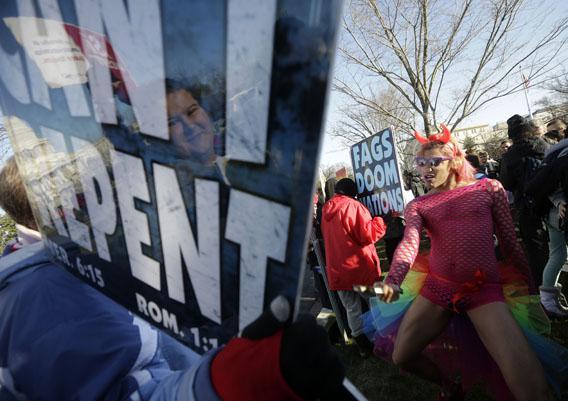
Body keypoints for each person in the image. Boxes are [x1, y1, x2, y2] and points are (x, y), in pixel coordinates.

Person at [0, 160, 352, 401]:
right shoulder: (53, 293)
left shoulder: (79, 265)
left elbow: (163, 333)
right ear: (64, 205)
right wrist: (239, 378)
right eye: (93, 183)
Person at [366, 125, 567, 401]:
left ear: (455, 161)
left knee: (533, 390)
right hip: (437, 288)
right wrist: (393, 279)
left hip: (483, 291)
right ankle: (449, 386)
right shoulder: (418, 205)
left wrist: (531, 294)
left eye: (434, 162)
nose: (426, 169)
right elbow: (409, 245)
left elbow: (510, 244)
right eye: (421, 163)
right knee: (402, 355)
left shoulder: (488, 188)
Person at [321, 178, 386, 356]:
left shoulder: (326, 207)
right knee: (374, 301)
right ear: (353, 192)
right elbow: (367, 235)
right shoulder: (353, 206)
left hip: (338, 271)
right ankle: (385, 336)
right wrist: (380, 221)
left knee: (352, 308)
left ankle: (361, 343)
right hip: (358, 267)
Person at [500, 114, 549, 287]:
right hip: (552, 202)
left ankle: (542, 289)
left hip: (527, 206)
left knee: (535, 250)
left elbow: (506, 183)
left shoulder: (509, 156)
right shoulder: (544, 145)